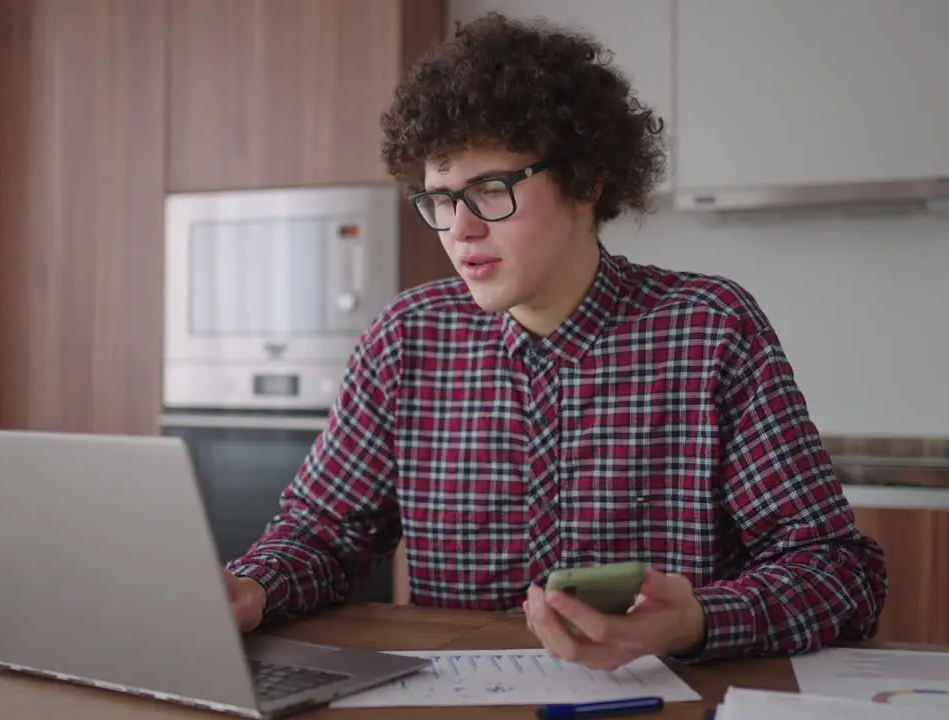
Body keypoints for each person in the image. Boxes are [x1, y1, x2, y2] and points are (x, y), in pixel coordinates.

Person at [222, 12, 887, 669]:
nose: (460, 229)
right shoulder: (408, 339)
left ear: (586, 180)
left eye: (489, 190)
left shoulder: (709, 328)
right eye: (440, 199)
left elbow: (837, 571)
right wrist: (251, 589)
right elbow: (324, 534)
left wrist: (698, 621)